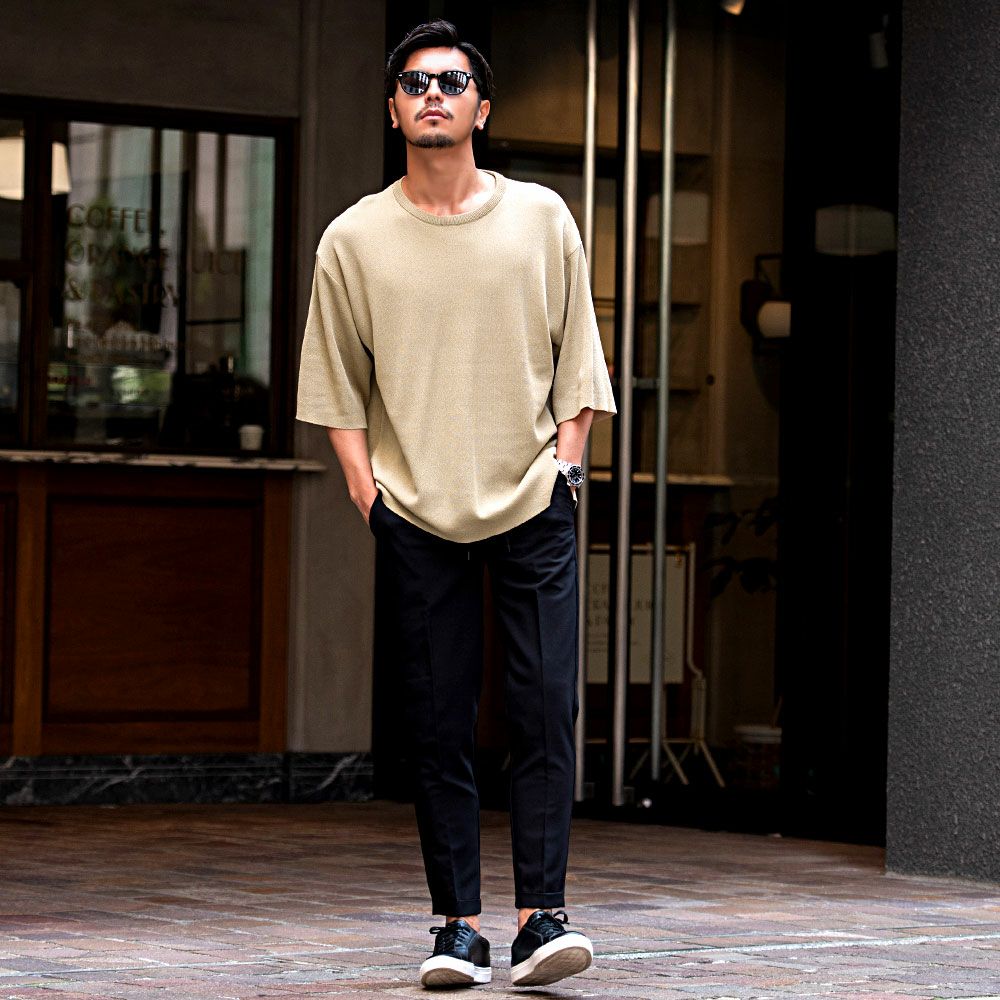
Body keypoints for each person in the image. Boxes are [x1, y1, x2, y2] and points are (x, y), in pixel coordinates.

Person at [296, 18, 616, 990]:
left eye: (451, 80)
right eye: (414, 82)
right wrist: (370, 496)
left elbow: (579, 362)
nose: (432, 93)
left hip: (532, 500)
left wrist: (565, 472)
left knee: (543, 704)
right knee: (438, 722)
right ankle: (457, 928)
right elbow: (335, 387)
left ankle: (541, 917)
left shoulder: (541, 219)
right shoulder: (353, 238)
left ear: (482, 106)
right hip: (416, 512)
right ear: (391, 110)